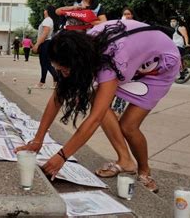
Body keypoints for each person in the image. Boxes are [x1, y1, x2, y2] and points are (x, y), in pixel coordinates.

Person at [16, 20, 181, 193]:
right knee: (96, 96)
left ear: (77, 63)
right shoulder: (81, 47)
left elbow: (95, 118)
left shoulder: (111, 62)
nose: (63, 74)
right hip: (135, 58)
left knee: (129, 126)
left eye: (65, 70)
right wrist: (37, 140)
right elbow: (58, 96)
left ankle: (145, 171)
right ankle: (125, 161)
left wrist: (62, 156)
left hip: (159, 67)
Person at [113, 7, 135, 116]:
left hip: (131, 59)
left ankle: (119, 108)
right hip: (119, 58)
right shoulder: (119, 26)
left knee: (126, 84)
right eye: (125, 14)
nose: (127, 16)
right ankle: (113, 107)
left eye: (129, 14)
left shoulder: (136, 26)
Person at [33, 5, 58, 89]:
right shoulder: (49, 20)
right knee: (44, 64)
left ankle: (56, 80)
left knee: (46, 64)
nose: (44, 11)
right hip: (46, 43)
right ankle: (43, 82)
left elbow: (44, 34)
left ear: (47, 11)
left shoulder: (48, 20)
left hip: (45, 43)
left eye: (45, 9)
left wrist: (37, 45)